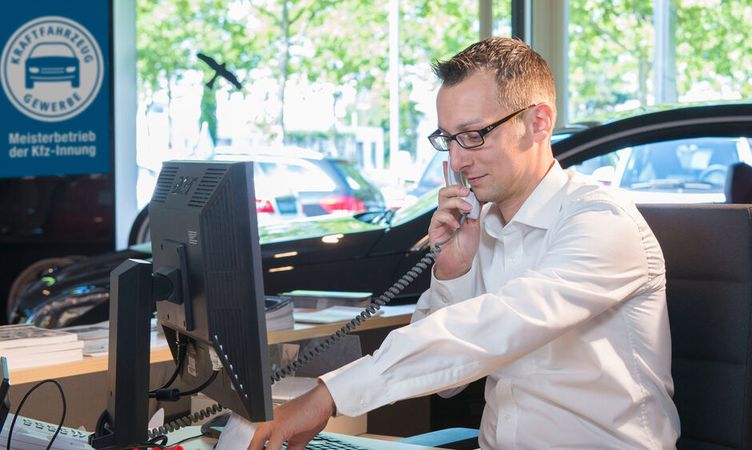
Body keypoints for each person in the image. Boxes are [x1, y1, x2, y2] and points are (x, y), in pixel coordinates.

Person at [248, 37, 680, 450]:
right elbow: (449, 382)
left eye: (474, 135)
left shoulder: (601, 222)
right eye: (448, 139)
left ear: (538, 123)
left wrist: (329, 395)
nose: (457, 160)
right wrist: (451, 273)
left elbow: (493, 328)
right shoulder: (481, 227)